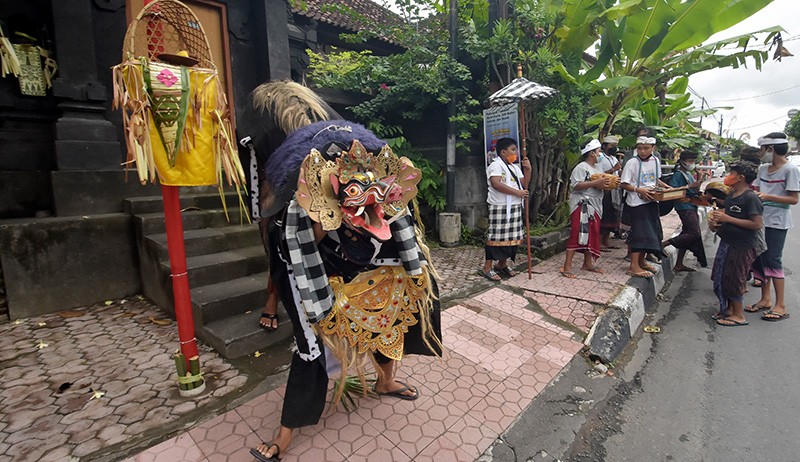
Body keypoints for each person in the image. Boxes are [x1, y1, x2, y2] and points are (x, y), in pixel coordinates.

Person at [747, 132, 799, 321]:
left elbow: (793, 199)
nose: (761, 153)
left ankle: (781, 305)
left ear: (771, 149)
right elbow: (756, 190)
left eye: (762, 149)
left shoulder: (790, 170)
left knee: (773, 260)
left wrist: (769, 197)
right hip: (760, 220)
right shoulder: (763, 169)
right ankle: (765, 299)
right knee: (760, 258)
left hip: (777, 221)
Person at [708, 162, 764, 326]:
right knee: (722, 276)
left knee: (735, 278)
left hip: (742, 245)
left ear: (741, 177)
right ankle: (728, 310)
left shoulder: (751, 197)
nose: (729, 175)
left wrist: (727, 219)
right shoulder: (732, 195)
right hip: (728, 241)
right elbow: (729, 213)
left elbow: (757, 224)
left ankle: (738, 315)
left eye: (732, 172)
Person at [480, 137, 531, 281]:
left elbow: (524, 183)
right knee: (495, 238)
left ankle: (502, 264)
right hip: (499, 206)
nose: (516, 153)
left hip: (514, 207)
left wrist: (528, 169)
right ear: (503, 152)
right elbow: (496, 183)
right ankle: (487, 267)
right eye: (513, 150)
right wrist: (517, 193)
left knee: (512, 238)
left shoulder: (515, 167)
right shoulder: (495, 165)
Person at [620, 136, 670, 278]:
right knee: (639, 234)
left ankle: (641, 261)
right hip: (637, 203)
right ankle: (633, 266)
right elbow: (623, 183)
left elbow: (655, 179)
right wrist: (639, 190)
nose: (642, 151)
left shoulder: (655, 161)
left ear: (653, 149)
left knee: (650, 233)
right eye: (640, 148)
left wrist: (667, 187)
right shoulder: (632, 163)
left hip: (652, 201)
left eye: (646, 148)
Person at [561, 139, 611, 278]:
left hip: (596, 204)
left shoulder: (598, 169)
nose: (600, 154)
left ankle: (587, 263)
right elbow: (576, 185)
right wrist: (596, 182)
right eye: (599, 152)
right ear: (592, 153)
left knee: (593, 233)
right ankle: (567, 266)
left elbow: (600, 185)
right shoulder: (581, 167)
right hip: (582, 204)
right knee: (577, 233)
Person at [662, 150, 707, 270]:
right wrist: (688, 186)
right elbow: (672, 190)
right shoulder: (678, 174)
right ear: (682, 161)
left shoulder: (688, 174)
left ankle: (679, 263)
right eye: (690, 161)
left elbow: (695, 189)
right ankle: (663, 244)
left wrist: (700, 177)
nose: (692, 164)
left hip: (692, 205)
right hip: (683, 206)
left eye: (693, 161)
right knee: (694, 233)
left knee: (687, 233)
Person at [598, 136, 622, 251]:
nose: (614, 148)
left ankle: (606, 241)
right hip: (605, 190)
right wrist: (613, 169)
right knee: (605, 216)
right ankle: (599, 242)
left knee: (612, 216)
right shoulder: (601, 158)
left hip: (614, 189)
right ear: (604, 146)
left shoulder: (613, 158)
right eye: (611, 146)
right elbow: (599, 174)